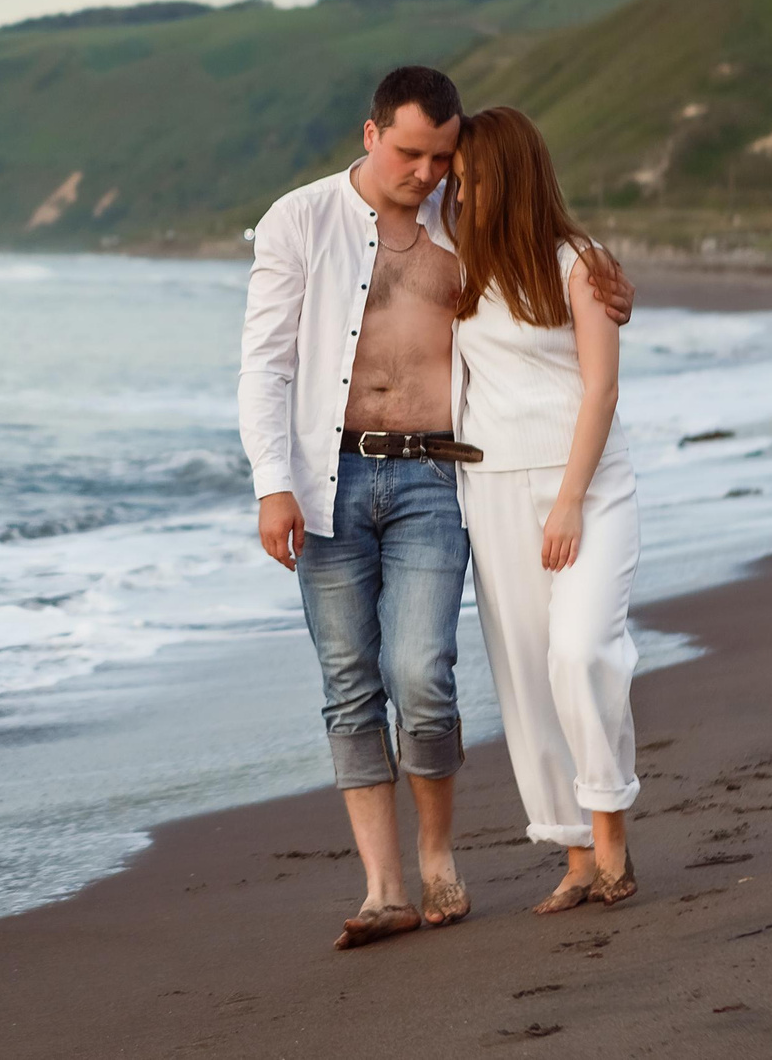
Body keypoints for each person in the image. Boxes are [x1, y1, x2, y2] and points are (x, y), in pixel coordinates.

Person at [239, 68, 632, 950]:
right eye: (411, 152)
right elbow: (264, 363)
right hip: (327, 477)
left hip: (432, 477)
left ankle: (439, 856)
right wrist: (272, 481)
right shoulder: (298, 220)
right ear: (371, 133)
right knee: (350, 681)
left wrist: (613, 287)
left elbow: (554, 260)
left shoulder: (463, 223)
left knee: (423, 671)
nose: (426, 172)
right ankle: (385, 888)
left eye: (442, 157)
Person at [451, 105, 642, 912]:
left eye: (473, 178)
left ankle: (613, 846)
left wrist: (567, 500)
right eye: (454, 181)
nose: (459, 195)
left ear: (513, 175)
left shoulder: (580, 262)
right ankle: (572, 857)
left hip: (585, 487)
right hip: (490, 488)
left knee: (581, 650)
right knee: (528, 678)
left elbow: (601, 386)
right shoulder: (454, 263)